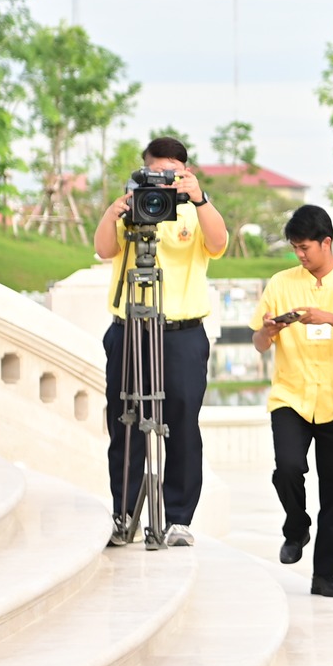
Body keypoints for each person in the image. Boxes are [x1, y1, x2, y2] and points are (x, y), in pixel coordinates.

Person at [94, 135, 226, 548]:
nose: (163, 183)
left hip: (182, 333)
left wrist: (199, 199)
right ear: (143, 170)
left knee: (183, 425)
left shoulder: (194, 212)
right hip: (130, 328)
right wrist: (115, 211)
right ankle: (124, 514)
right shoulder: (131, 207)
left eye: (172, 174)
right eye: (156, 173)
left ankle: (179, 519)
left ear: (186, 172)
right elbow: (104, 249)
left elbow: (219, 243)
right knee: (125, 421)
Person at [253, 205, 333, 598]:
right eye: (294, 248)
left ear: (326, 242)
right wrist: (269, 330)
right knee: (288, 467)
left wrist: (330, 318)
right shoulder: (280, 283)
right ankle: (296, 526)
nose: (299, 255)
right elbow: (259, 342)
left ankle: (326, 576)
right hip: (290, 396)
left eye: (305, 247)